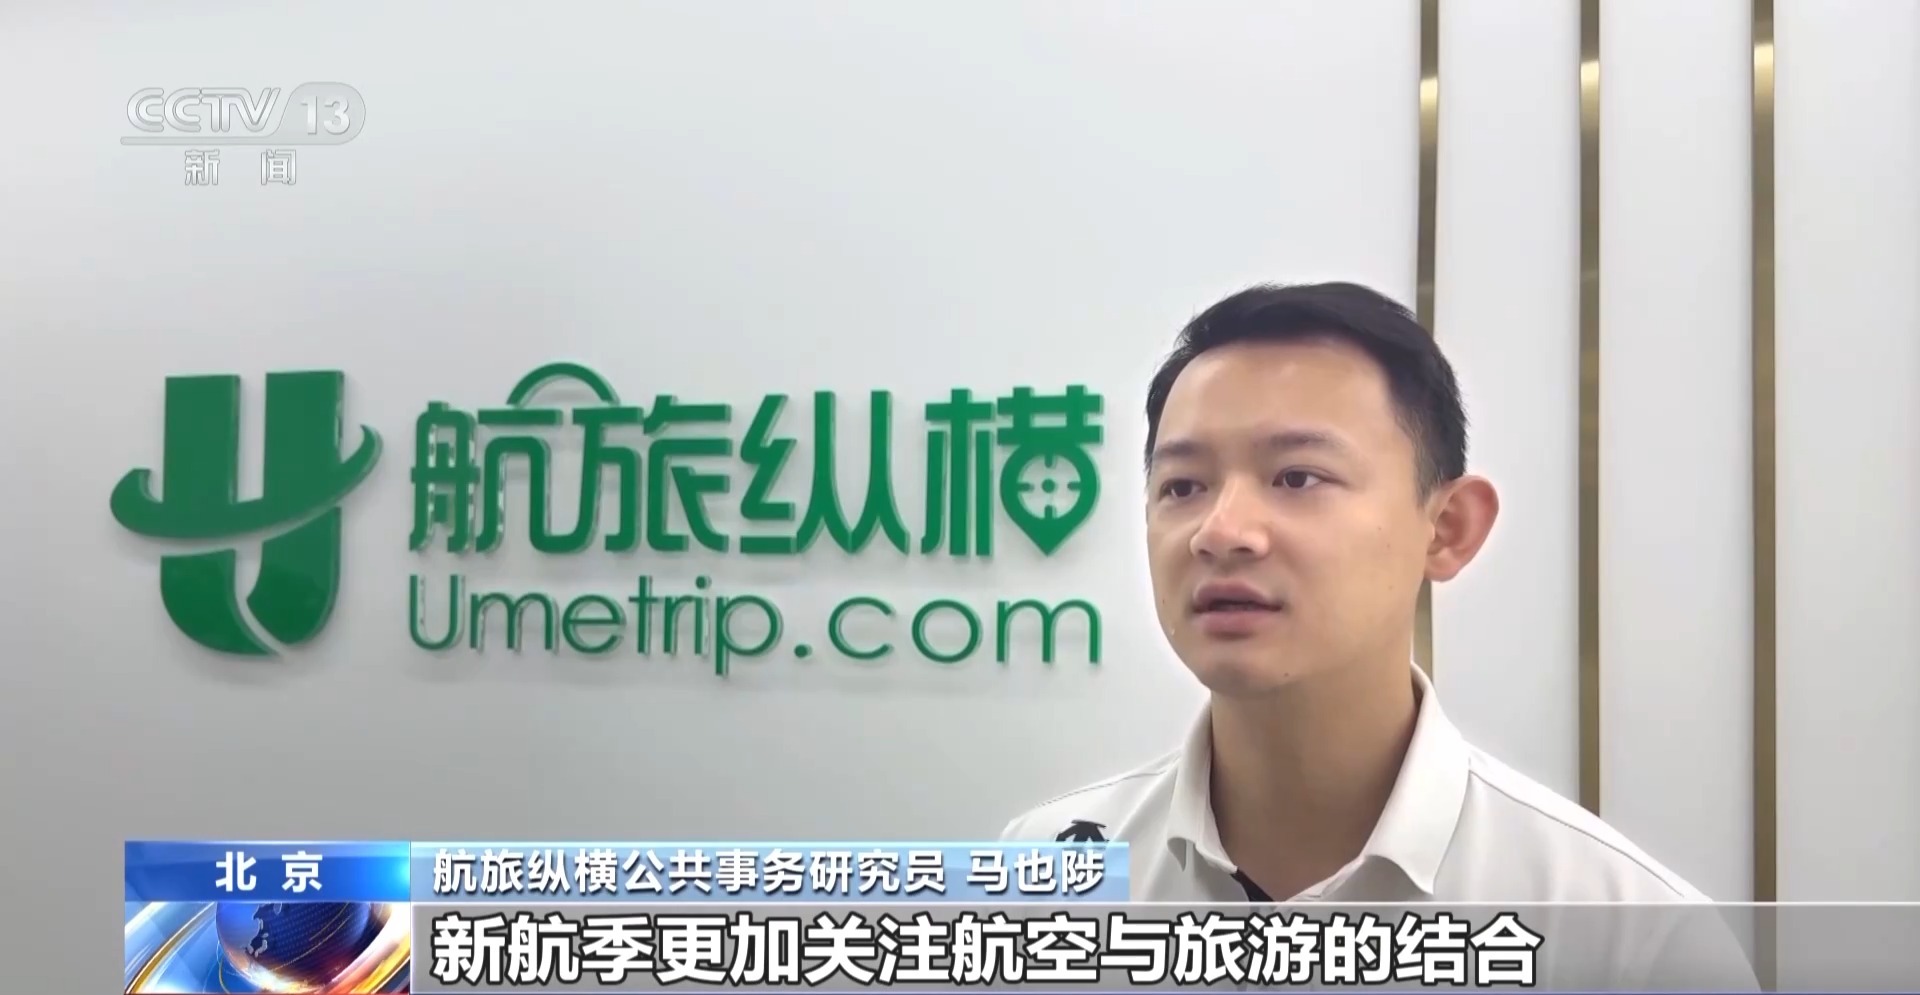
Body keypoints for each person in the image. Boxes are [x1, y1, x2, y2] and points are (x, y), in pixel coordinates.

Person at [1000, 282, 1758, 989]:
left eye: (1297, 477)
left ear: (1448, 527)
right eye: (1183, 486)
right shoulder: (1039, 878)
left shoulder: (1631, 941)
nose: (1220, 531)